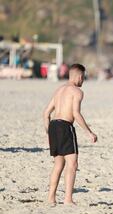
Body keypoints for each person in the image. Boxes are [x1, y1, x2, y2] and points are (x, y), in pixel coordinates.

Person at [43, 63, 97, 205]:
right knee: (72, 164)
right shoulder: (77, 92)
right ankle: (68, 199)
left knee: (58, 165)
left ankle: (51, 198)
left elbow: (46, 113)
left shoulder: (59, 90)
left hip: (54, 126)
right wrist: (89, 132)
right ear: (79, 76)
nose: (83, 81)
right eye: (83, 77)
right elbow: (76, 114)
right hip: (65, 126)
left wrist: (49, 132)